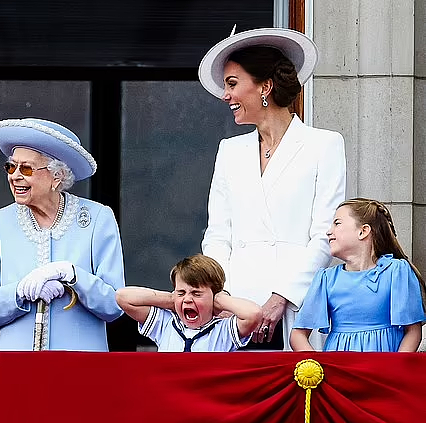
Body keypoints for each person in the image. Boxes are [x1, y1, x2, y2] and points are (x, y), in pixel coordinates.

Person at [198, 28, 347, 350]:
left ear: (265, 86)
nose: (226, 96)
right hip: (235, 306)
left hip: (297, 303)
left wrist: (283, 296)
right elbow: (218, 234)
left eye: (233, 84)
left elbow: (325, 234)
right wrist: (221, 296)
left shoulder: (324, 145)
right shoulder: (230, 150)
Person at [0, 118, 125, 351]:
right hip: (17, 367)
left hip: (81, 368)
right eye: (11, 167)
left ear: (57, 176)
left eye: (27, 169)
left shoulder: (97, 219)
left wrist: (73, 276)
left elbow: (114, 306)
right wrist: (19, 291)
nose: (15, 176)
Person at [290, 199, 425, 352]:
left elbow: (413, 332)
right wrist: (318, 369)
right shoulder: (326, 279)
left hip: (383, 370)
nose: (329, 231)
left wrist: (394, 370)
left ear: (363, 231)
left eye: (337, 223)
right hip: (340, 371)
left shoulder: (396, 271)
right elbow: (297, 335)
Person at [116, 254, 261, 352]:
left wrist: (219, 299)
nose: (187, 299)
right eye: (181, 292)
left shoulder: (223, 331)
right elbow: (122, 297)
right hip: (169, 396)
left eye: (196, 293)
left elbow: (254, 314)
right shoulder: (165, 324)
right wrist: (171, 300)